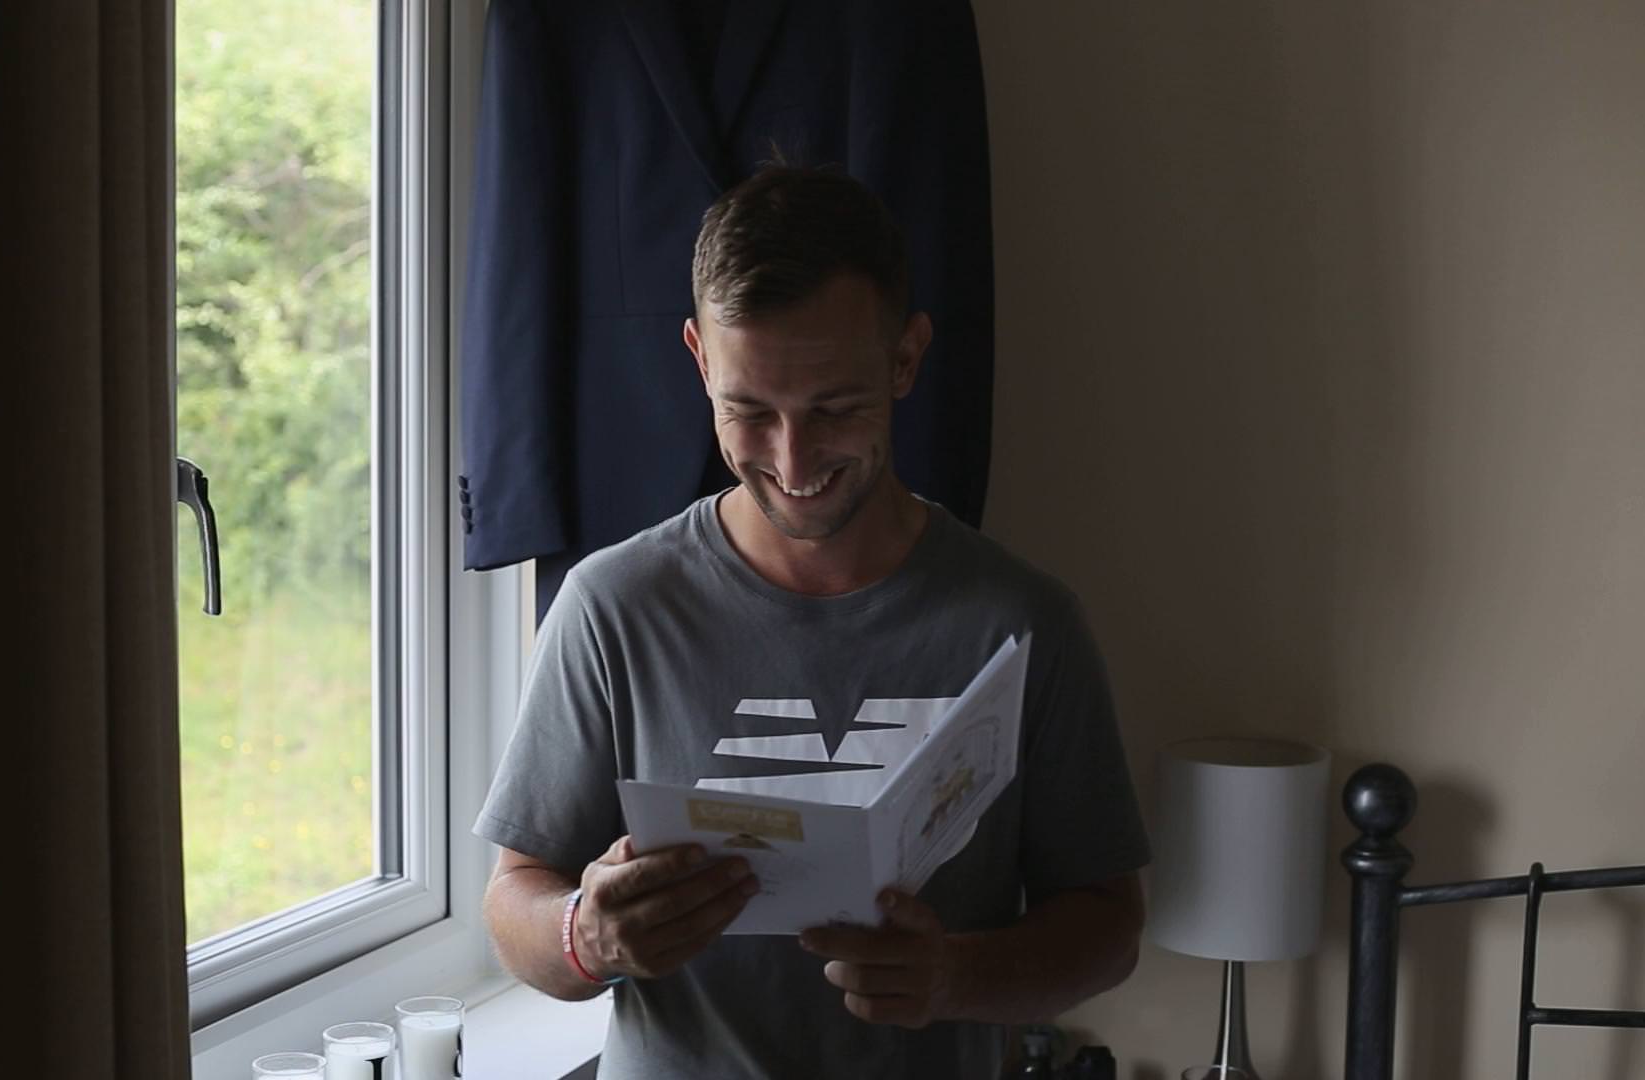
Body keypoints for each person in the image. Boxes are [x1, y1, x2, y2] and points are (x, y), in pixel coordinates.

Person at [475, 166, 1149, 1079]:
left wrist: (954, 975)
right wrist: (585, 935)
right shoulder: (614, 607)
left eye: (836, 409)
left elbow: (1106, 924)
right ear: (700, 357)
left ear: (906, 359)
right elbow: (516, 895)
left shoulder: (1024, 621)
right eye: (749, 411)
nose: (793, 460)